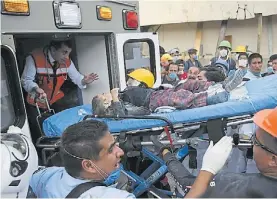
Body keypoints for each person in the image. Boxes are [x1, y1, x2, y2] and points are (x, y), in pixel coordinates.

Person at [152, 107, 277, 198]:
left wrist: (207, 171)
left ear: (273, 159)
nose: (251, 144)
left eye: (255, 141)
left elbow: (189, 184)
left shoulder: (230, 190)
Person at [28, 120, 135, 198]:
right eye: (110, 150)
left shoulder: (46, 176)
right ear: (89, 166)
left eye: (115, 143)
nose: (120, 152)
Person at [92, 66, 246, 116]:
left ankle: (223, 84)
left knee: (189, 84)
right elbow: (121, 116)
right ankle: (217, 96)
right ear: (106, 102)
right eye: (104, 94)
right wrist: (114, 97)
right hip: (152, 102)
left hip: (157, 93)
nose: (108, 92)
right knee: (184, 98)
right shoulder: (116, 109)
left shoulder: (123, 95)